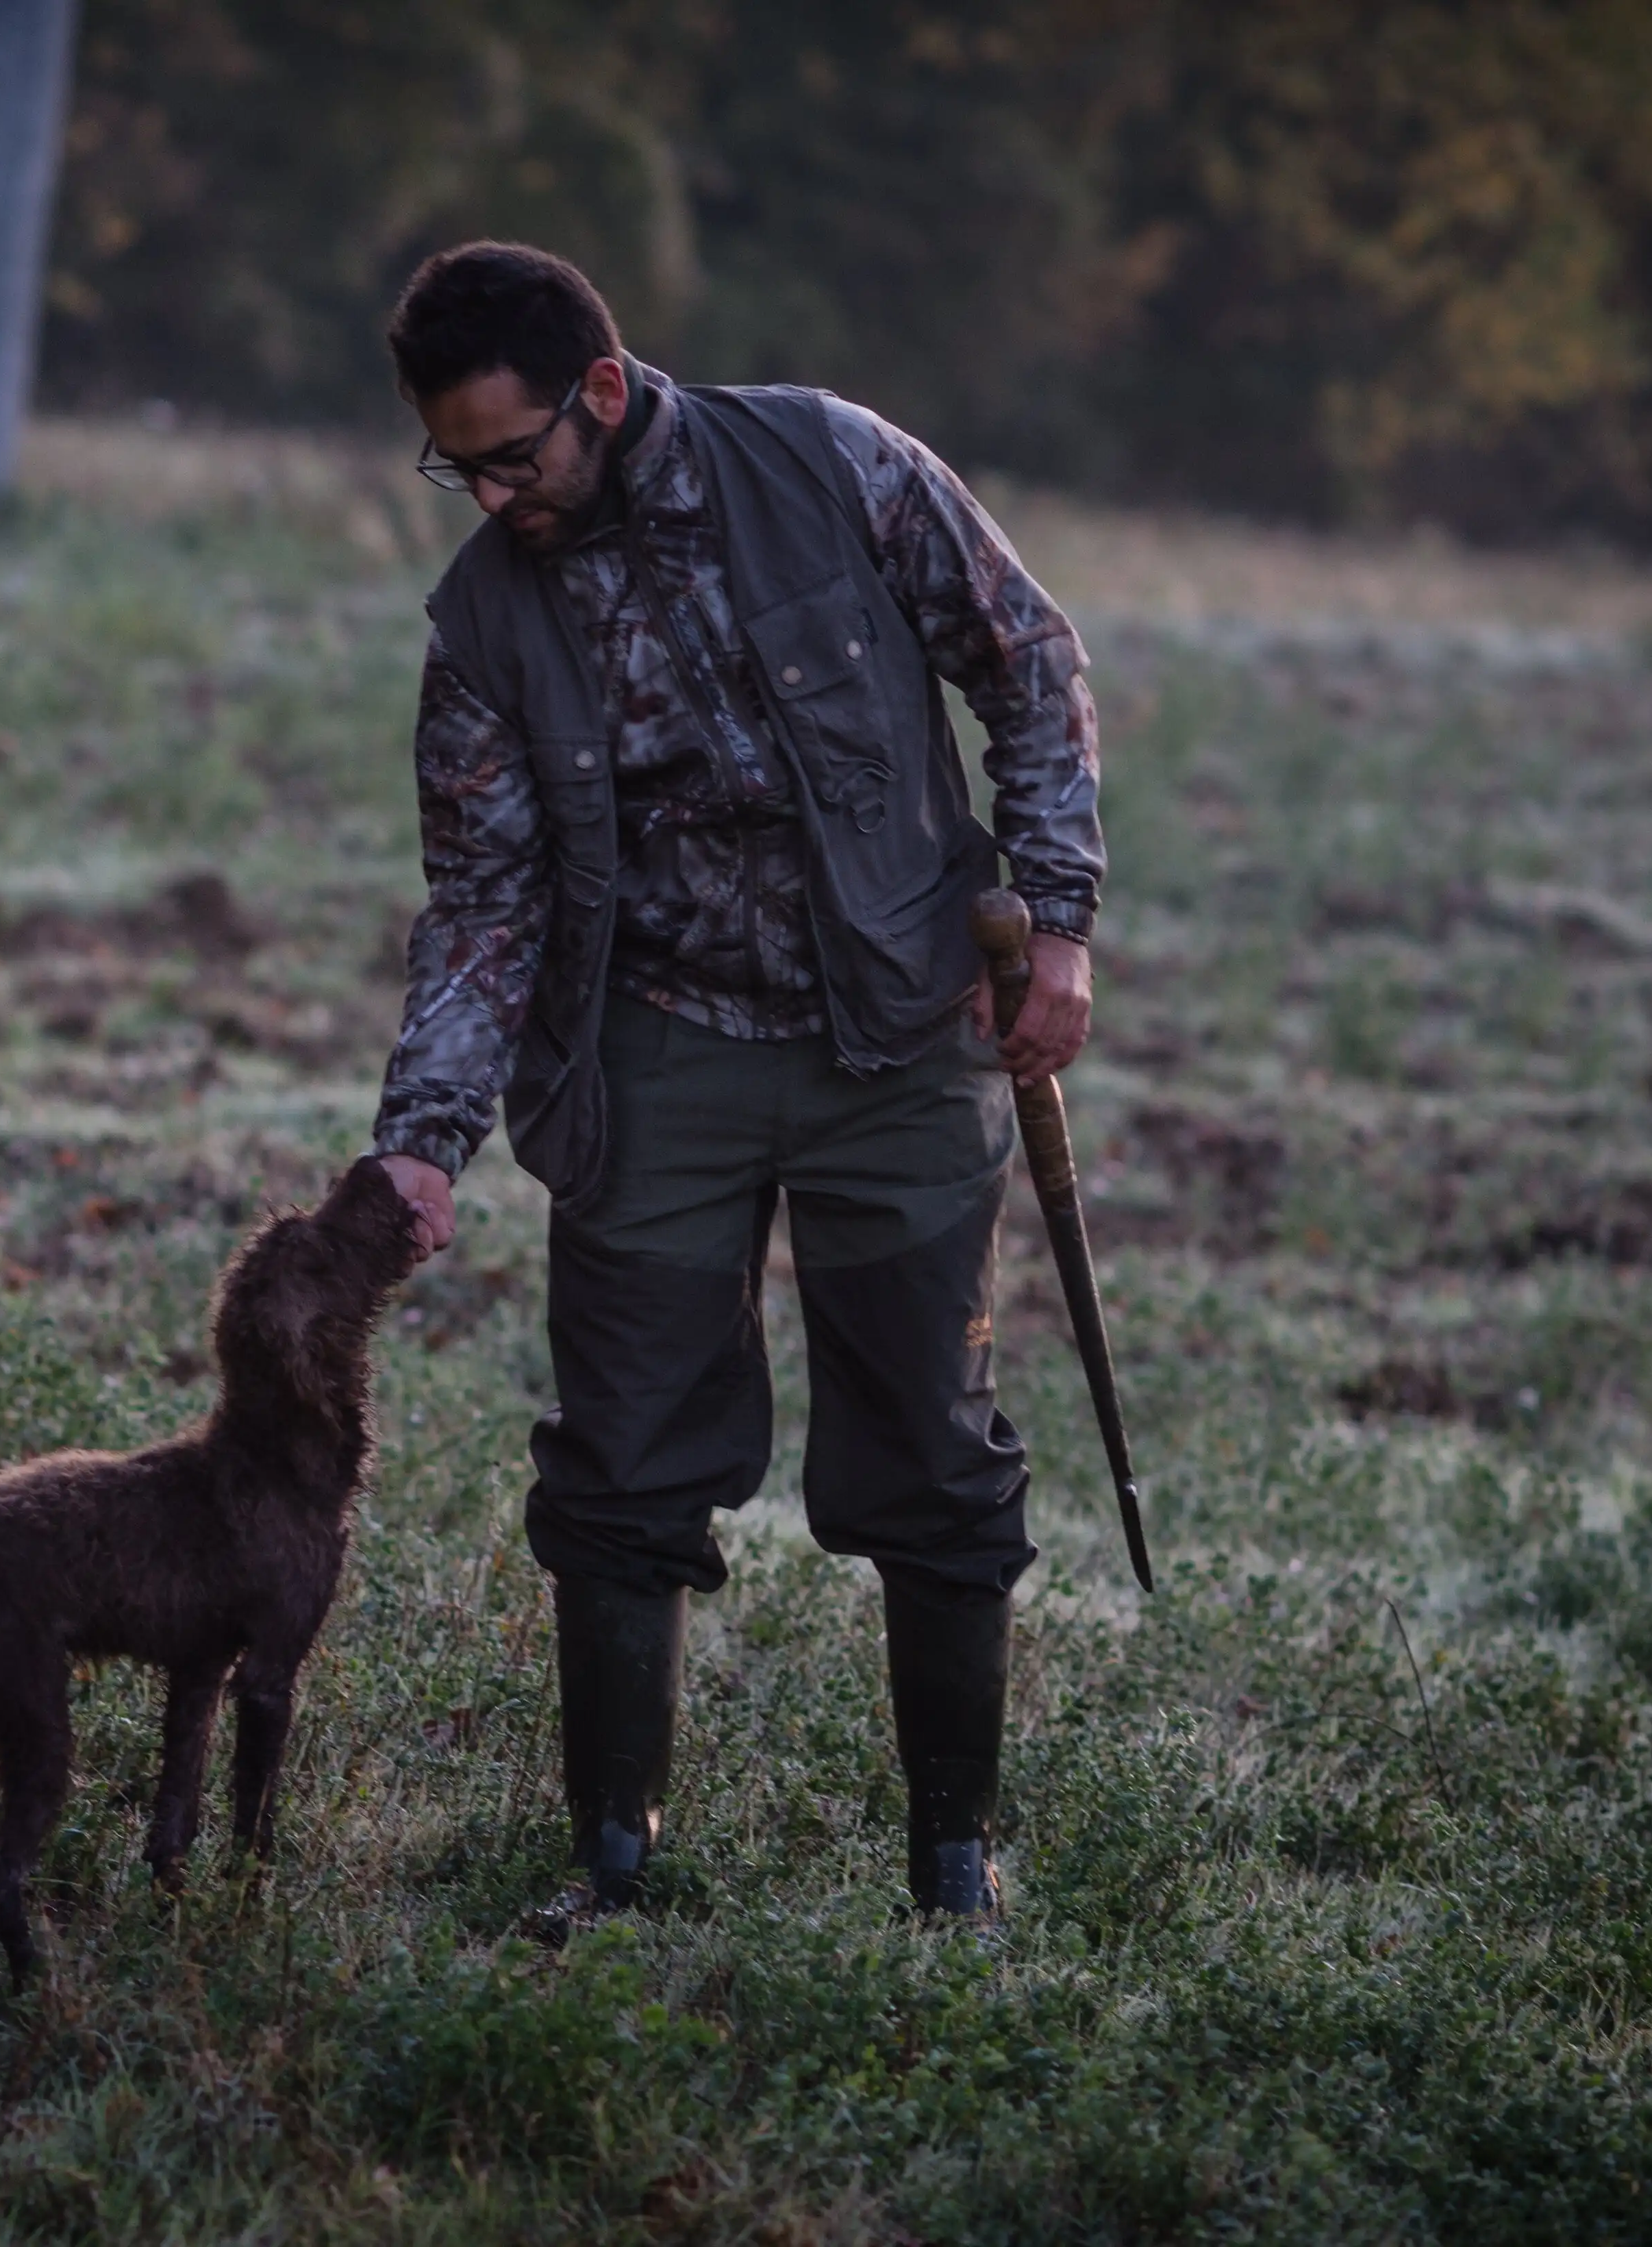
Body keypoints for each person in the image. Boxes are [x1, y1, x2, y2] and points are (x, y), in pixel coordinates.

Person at [366, 242, 1104, 1922]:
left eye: (512, 455)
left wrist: (1055, 923)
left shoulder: (831, 461)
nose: (488, 495)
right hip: (649, 1060)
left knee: (929, 1450)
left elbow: (1028, 662)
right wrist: (419, 1144)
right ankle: (612, 1869)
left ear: (603, 395)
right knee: (618, 1464)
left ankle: (952, 1868)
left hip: (901, 1038)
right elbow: (484, 901)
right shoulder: (481, 618)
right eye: (453, 465)